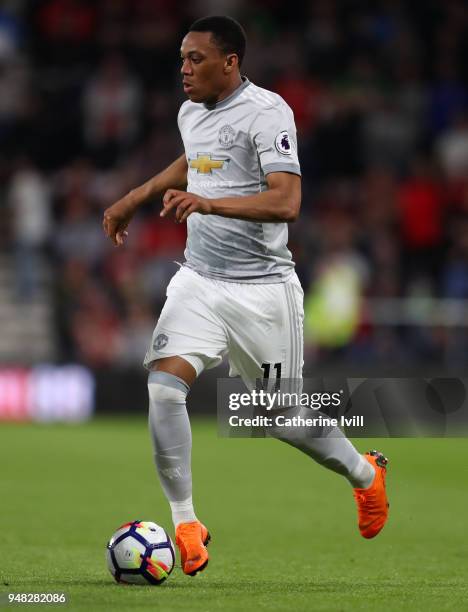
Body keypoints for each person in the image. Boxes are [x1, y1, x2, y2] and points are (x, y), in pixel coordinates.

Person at [103, 16, 389, 577]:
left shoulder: (269, 113)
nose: (183, 69)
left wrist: (208, 204)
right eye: (181, 58)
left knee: (280, 417)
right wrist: (137, 195)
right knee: (163, 388)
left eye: (196, 59)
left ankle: (365, 474)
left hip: (263, 291)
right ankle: (186, 522)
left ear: (230, 62)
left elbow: (286, 202)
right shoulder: (192, 112)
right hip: (200, 278)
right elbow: (197, 160)